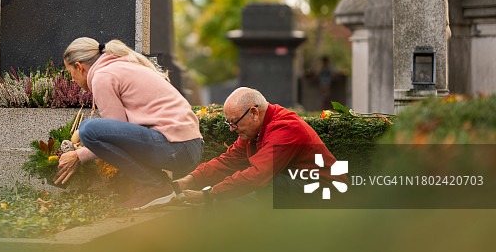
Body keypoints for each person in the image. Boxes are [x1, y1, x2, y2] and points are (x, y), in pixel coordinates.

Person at [54, 37, 203, 210]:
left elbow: (115, 132)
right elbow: (122, 131)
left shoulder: (102, 76)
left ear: (79, 67)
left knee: (88, 129)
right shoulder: (120, 65)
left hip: (177, 148)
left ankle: (155, 187)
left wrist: (79, 156)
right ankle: (155, 187)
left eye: (70, 73)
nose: (72, 80)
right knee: (91, 129)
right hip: (188, 147)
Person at [173, 87, 346, 204]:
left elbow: (258, 175)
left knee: (265, 184)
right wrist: (188, 181)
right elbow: (228, 161)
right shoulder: (254, 131)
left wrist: (207, 196)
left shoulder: (285, 128)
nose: (232, 129)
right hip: (301, 187)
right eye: (229, 124)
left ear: (254, 113)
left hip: (328, 197)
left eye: (234, 123)